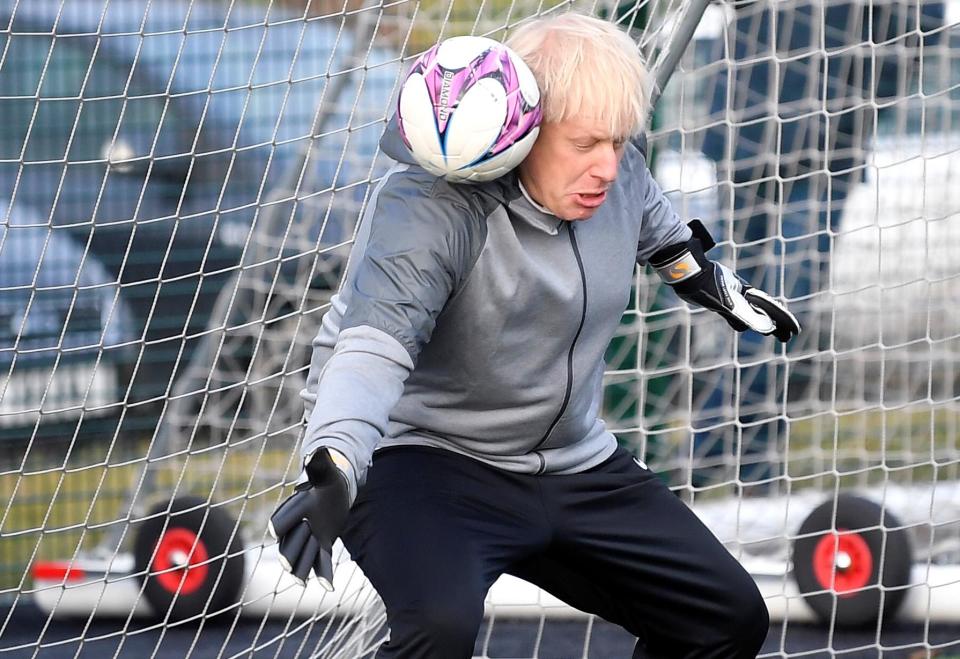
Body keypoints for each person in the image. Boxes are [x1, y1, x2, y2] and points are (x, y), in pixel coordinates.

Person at [268, 12, 799, 658]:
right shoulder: (434, 209)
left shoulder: (619, 174)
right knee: (439, 626)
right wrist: (339, 460)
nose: (609, 165)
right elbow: (374, 347)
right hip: (428, 459)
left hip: (572, 462)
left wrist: (719, 289)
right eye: (586, 144)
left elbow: (665, 240)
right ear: (524, 130)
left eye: (619, 140)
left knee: (728, 616)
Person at [693, 0, 944, 488]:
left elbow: (925, 20)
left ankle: (710, 455)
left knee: (783, 308)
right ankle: (747, 466)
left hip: (824, 144)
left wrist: (864, 91)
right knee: (740, 307)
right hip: (744, 132)